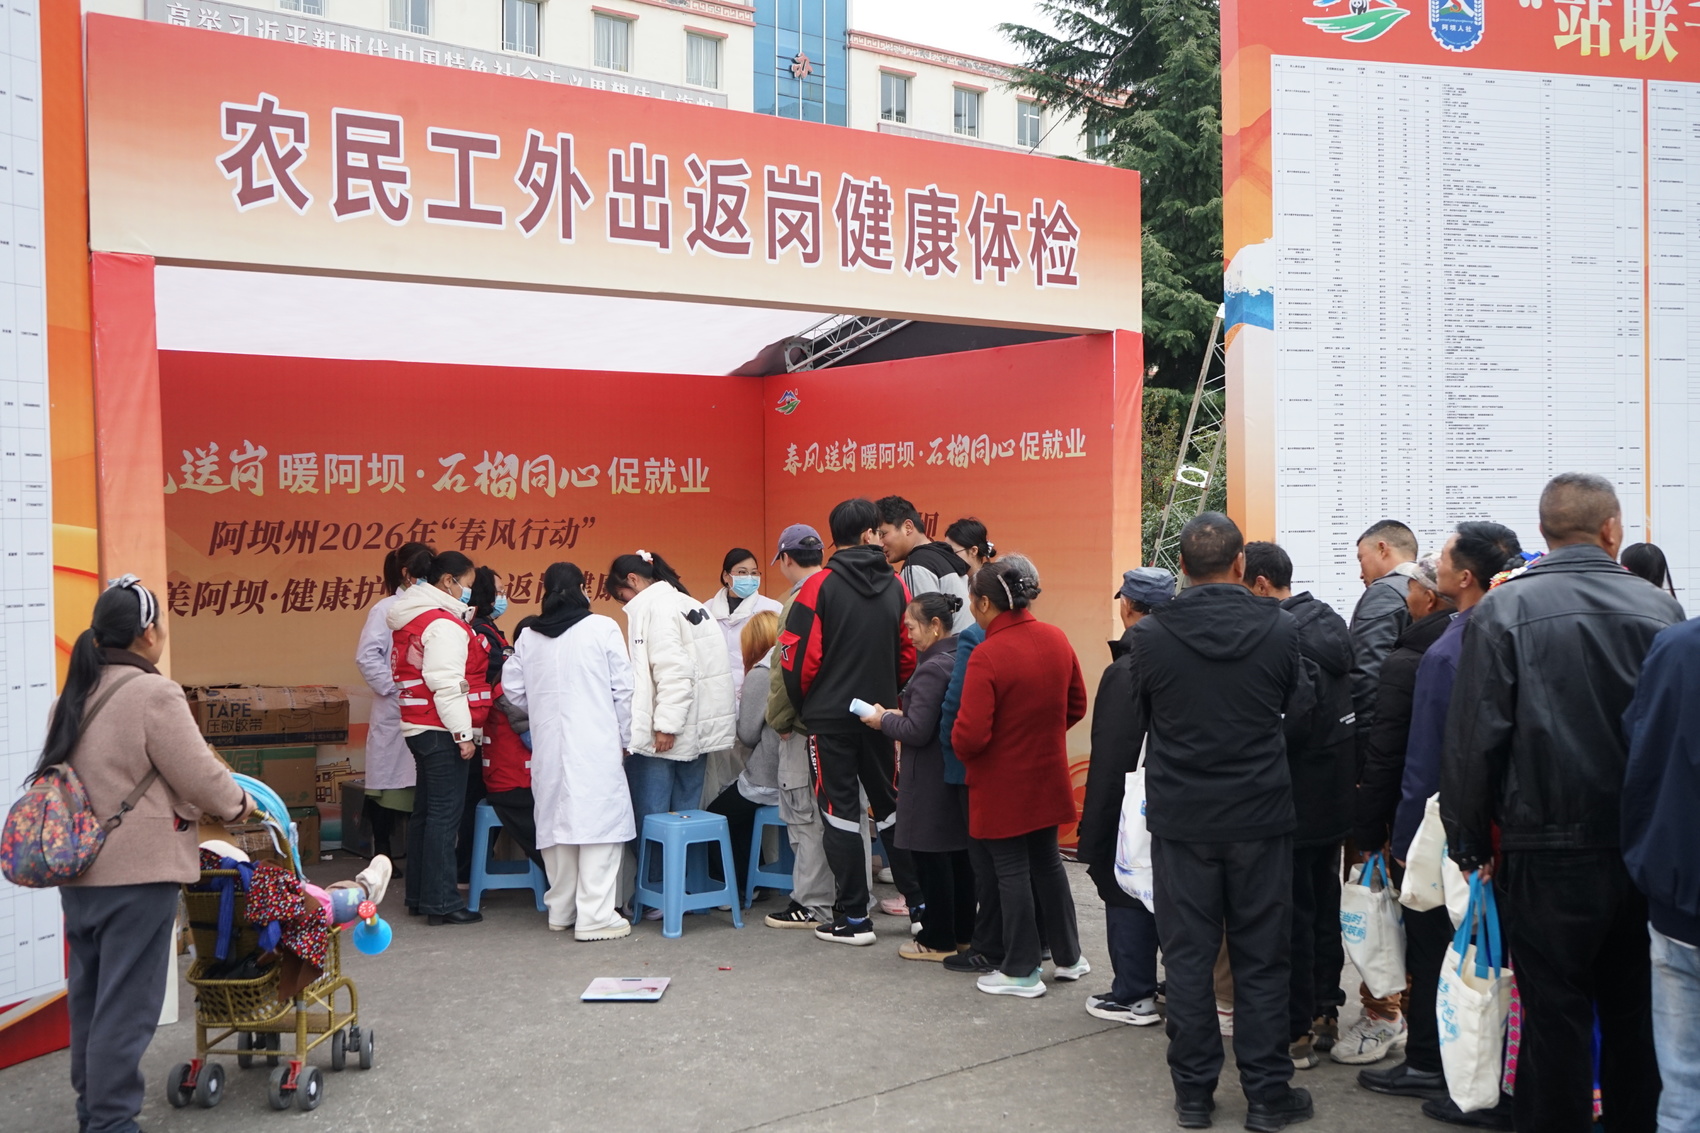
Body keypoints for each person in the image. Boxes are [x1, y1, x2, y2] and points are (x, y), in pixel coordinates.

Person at [1442, 473, 1685, 1133]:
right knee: (1635, 1016)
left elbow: (1473, 739)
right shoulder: (1660, 611)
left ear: (1545, 531)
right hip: (1637, 848)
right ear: (1611, 529)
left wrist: (1468, 841)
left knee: (1552, 1018)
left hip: (1541, 847)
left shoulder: (1503, 611)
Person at [44, 577, 255, 1133]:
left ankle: (94, 1110)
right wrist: (240, 805)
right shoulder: (154, 694)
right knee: (127, 1005)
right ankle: (112, 1122)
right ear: (147, 633)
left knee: (91, 998)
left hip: (79, 873)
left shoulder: (70, 697)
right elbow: (198, 773)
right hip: (137, 875)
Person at [1128, 512, 1313, 1131]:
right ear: (1241, 565)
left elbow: (1143, 716)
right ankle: (1267, 1094)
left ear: (1181, 566)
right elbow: (1299, 709)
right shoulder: (1281, 628)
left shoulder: (1150, 636)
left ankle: (1193, 1094)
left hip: (1183, 819)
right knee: (1263, 956)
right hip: (1260, 814)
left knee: (1187, 958)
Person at [1375, 523, 1523, 1124]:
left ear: (1464, 577)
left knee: (1441, 945)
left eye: (1439, 558)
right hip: (1510, 827)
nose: (1428, 566)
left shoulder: (1450, 649)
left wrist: (1409, 836)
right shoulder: (1513, 630)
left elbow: (1428, 756)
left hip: (1455, 828)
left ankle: (1438, 1062)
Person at [774, 498, 915, 946]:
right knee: (890, 809)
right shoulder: (896, 585)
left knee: (838, 814)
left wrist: (809, 705)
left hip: (829, 721)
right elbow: (908, 652)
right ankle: (921, 911)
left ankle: (854, 919)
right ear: (871, 532)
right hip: (880, 717)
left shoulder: (819, 586)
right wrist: (888, 699)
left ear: (833, 538)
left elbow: (796, 660)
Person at [952, 557, 1088, 998]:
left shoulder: (988, 654)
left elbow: (970, 735)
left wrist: (985, 748)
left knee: (1011, 870)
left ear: (984, 603)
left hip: (1001, 782)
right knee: (1047, 863)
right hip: (1047, 773)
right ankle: (1069, 957)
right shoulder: (1055, 638)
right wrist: (1039, 735)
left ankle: (1021, 969)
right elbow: (1077, 704)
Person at [1244, 542, 1355, 1074]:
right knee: (1324, 903)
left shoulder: (1285, 636)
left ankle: (1297, 1030)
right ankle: (1326, 1009)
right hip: (1334, 794)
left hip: (1292, 795)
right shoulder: (1329, 623)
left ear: (1262, 584)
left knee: (1292, 913)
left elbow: (1295, 719)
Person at [1349, 552, 1454, 1074]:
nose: (1403, 596)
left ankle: (1405, 1034)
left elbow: (1387, 752)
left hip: (1415, 820)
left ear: (1428, 598)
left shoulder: (1409, 659)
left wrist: (1370, 829)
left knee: (1415, 930)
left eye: (1410, 588)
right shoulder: (1477, 640)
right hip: (1469, 819)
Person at [505, 563, 636, 941]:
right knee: (600, 827)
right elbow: (624, 690)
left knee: (556, 826)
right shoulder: (602, 627)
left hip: (549, 745)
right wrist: (627, 737)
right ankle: (595, 916)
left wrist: (542, 708)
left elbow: (512, 690)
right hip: (595, 744)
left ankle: (561, 910)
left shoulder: (529, 636)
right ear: (582, 588)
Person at [1075, 566, 1176, 1026]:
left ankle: (1133, 994)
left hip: (1135, 802)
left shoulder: (1127, 670)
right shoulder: (1185, 655)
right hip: (1182, 798)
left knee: (1125, 886)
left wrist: (1094, 826)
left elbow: (1112, 757)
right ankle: (1176, 984)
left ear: (1128, 606)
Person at [606, 550, 737, 900]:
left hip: (667, 734)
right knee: (686, 817)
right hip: (696, 731)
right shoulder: (683, 601)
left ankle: (656, 892)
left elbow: (674, 672)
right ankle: (685, 891)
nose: (624, 603)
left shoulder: (656, 608)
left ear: (632, 581)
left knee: (652, 820)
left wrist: (666, 725)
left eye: (621, 596)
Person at [1622, 616, 1700, 1133]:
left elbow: (1639, 748)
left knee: (1682, 1087)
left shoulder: (1676, 647)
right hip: (1673, 886)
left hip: (1676, 887)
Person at [859, 592, 968, 961]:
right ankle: (962, 934)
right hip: (951, 773)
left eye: (911, 628)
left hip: (928, 777)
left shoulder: (931, 669)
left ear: (934, 625)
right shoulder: (959, 657)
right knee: (958, 859)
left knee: (931, 859)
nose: (908, 636)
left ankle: (937, 938)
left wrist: (883, 720)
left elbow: (918, 730)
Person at [388, 548, 490, 926]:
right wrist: (463, 734)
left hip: (418, 725)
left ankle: (420, 896)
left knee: (426, 814)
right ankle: (442, 902)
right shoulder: (443, 623)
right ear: (448, 581)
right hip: (440, 727)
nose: (469, 592)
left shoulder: (411, 616)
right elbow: (447, 684)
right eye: (467, 584)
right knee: (445, 818)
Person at [762, 524, 840, 929]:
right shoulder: (844, 590)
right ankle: (852, 899)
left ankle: (813, 903)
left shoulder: (799, 600)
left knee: (805, 818)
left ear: (786, 559)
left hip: (805, 727)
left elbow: (786, 671)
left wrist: (779, 719)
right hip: (849, 725)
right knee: (845, 818)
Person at [352, 542, 430, 861]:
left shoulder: (433, 609)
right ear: (407, 574)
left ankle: (416, 855)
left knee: (419, 786)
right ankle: (382, 853)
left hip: (425, 709)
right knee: (387, 790)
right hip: (396, 708)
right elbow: (367, 657)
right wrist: (396, 688)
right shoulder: (385, 609)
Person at [706, 611, 783, 899]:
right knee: (742, 814)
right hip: (795, 775)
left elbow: (748, 735)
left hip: (767, 776)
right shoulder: (792, 667)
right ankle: (754, 882)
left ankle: (726, 887)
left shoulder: (761, 674)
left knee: (716, 815)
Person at [469, 565, 541, 869]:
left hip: (509, 775)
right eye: (498, 591)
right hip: (514, 781)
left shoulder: (489, 633)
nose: (503, 597)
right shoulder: (509, 687)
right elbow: (532, 738)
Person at [1349, 519, 1419, 733]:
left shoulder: (1384, 592)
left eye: (1361, 559)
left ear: (1382, 549)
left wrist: (1362, 730)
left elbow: (1369, 669)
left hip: (1383, 728)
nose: (1360, 574)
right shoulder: (1430, 590)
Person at [875, 496, 974, 633]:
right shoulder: (941, 555)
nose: (880, 544)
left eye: (883, 534)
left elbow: (926, 632)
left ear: (908, 527)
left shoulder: (916, 566)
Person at [704, 547, 783, 702]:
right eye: (742, 572)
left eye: (754, 573)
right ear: (726, 576)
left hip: (758, 696)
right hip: (715, 697)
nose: (749, 577)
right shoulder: (706, 610)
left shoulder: (772, 609)